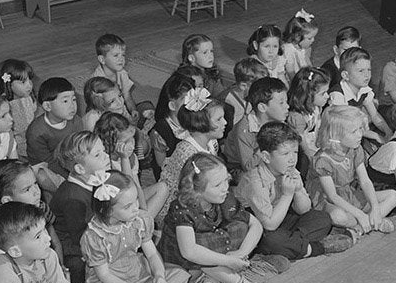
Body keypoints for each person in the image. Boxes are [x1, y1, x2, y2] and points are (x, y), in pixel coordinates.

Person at [160, 153, 279, 283]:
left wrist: (240, 254)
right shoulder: (182, 208)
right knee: (201, 248)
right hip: (183, 262)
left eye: (226, 180)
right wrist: (229, 261)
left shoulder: (225, 197)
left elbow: (255, 225)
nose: (225, 188)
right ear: (197, 190)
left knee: (240, 226)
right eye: (217, 185)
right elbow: (189, 251)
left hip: (211, 252)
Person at [80, 172, 190, 283]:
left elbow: (151, 253)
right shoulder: (95, 236)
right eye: (127, 206)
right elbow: (105, 276)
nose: (135, 208)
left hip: (138, 271)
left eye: (136, 201)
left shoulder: (139, 220)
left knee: (182, 277)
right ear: (107, 210)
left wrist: (159, 274)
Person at [236, 121, 343, 259]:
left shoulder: (290, 170)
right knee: (271, 240)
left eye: (295, 152)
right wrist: (287, 195)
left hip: (281, 218)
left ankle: (293, 246)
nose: (292, 159)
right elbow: (269, 225)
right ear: (266, 157)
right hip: (259, 225)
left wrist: (298, 191)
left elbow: (304, 210)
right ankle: (316, 247)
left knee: (321, 218)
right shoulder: (255, 180)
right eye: (285, 153)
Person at [309, 105, 396, 239]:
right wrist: (359, 214)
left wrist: (374, 207)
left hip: (348, 193)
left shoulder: (355, 149)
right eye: (353, 132)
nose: (360, 135)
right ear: (335, 135)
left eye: (360, 129)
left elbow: (365, 181)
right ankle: (372, 222)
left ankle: (360, 227)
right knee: (338, 216)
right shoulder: (323, 160)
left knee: (393, 195)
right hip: (328, 200)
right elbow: (332, 196)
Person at [49, 130, 112, 283]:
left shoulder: (94, 180)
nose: (107, 156)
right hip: (71, 247)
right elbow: (79, 237)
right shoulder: (73, 198)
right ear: (80, 169)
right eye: (98, 155)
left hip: (90, 231)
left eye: (104, 151)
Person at [156, 95, 228, 225]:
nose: (225, 122)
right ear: (202, 122)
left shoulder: (212, 142)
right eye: (219, 119)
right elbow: (186, 191)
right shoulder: (187, 152)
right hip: (178, 207)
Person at [0, 159, 64, 265]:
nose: (36, 191)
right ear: (8, 200)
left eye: (35, 183)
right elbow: (2, 263)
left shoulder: (40, 207)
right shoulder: (0, 224)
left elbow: (54, 242)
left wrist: (60, 266)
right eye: (27, 189)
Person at [94, 111, 168, 219]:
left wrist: (144, 210)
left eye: (132, 139)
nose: (132, 144)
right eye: (126, 141)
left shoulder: (131, 156)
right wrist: (124, 159)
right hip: (118, 206)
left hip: (133, 200)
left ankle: (143, 224)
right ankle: (141, 225)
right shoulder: (105, 162)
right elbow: (127, 186)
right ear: (111, 142)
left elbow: (137, 186)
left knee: (163, 187)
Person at [224, 76, 289, 176]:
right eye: (281, 103)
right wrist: (267, 146)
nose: (287, 106)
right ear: (262, 107)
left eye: (286, 101)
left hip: (264, 160)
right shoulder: (245, 129)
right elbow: (248, 166)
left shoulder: (278, 121)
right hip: (238, 167)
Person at [25, 77, 81, 195]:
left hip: (71, 161)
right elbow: (47, 162)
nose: (72, 106)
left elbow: (82, 146)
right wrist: (73, 176)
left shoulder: (76, 121)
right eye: (65, 101)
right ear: (47, 106)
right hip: (48, 166)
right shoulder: (36, 132)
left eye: (74, 99)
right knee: (43, 177)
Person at [329, 47, 390, 144]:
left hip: (357, 130)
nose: (367, 75)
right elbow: (346, 126)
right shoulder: (338, 95)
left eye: (369, 70)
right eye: (361, 71)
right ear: (345, 75)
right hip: (340, 134)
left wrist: (388, 133)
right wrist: (375, 136)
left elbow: (374, 115)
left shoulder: (364, 89)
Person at [86, 32, 145, 122]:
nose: (121, 59)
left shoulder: (122, 73)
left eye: (123, 55)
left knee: (146, 107)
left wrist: (133, 109)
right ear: (102, 59)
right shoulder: (96, 82)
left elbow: (127, 96)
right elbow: (97, 111)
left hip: (121, 110)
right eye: (116, 55)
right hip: (106, 118)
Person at [286, 66, 331, 160]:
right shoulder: (297, 117)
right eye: (323, 93)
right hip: (302, 152)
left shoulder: (317, 106)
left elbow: (319, 126)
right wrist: (313, 159)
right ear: (308, 95)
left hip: (315, 142)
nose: (327, 96)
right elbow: (303, 147)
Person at [0, 58, 38, 158]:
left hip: (32, 138)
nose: (29, 85)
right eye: (23, 82)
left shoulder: (28, 97)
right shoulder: (3, 106)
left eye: (29, 80)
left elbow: (33, 113)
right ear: (8, 84)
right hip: (18, 147)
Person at [220, 58, 269, 137]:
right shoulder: (227, 101)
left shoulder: (253, 96)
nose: (264, 91)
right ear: (243, 86)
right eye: (259, 87)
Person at [180, 33, 224, 98]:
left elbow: (221, 95)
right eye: (205, 52)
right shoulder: (186, 80)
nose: (210, 56)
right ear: (191, 58)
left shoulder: (212, 73)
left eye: (211, 51)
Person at [281, 9, 319, 79]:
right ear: (297, 37)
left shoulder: (305, 46)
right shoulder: (288, 49)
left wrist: (313, 72)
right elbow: (290, 72)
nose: (313, 40)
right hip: (294, 79)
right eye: (310, 38)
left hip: (303, 74)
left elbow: (307, 60)